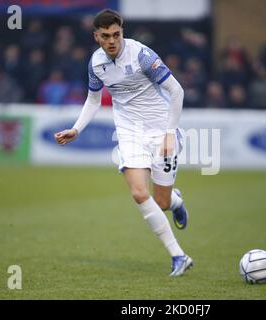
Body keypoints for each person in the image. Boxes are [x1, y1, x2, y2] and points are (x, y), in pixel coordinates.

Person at [54, 9, 193, 277]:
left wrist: (169, 133)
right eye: (105, 36)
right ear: (96, 37)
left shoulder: (142, 55)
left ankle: (174, 202)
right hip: (129, 134)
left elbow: (177, 91)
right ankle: (179, 256)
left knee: (161, 202)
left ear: (122, 32)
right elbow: (93, 100)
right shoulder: (96, 64)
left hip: (161, 130)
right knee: (140, 194)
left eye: (116, 34)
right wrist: (76, 129)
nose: (112, 41)